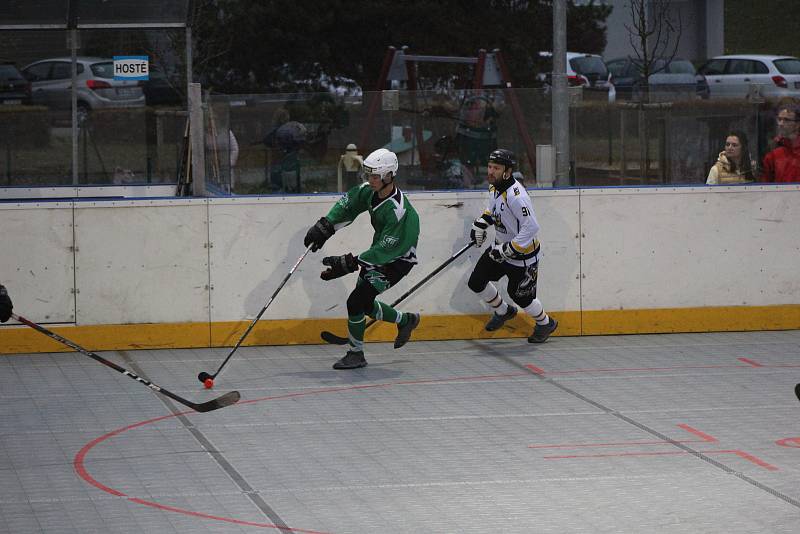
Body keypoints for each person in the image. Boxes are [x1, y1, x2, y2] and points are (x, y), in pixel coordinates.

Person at [304, 148, 421, 369]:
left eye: (376, 176)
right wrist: (325, 225)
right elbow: (349, 204)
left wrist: (349, 263)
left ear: (390, 176)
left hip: (397, 261)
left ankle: (356, 354)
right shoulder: (370, 190)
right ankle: (406, 320)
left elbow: (389, 248)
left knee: (356, 301)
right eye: (369, 175)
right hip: (379, 254)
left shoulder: (399, 211)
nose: (371, 180)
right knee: (365, 304)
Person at [467, 149, 557, 343]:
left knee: (520, 296)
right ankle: (503, 311)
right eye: (490, 166)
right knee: (476, 281)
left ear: (507, 171)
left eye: (496, 168)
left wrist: (510, 249)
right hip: (500, 248)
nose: (490, 171)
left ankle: (545, 323)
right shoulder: (494, 187)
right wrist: (481, 223)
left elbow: (532, 226)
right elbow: (494, 211)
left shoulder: (517, 196)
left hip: (522, 256)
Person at [760, 101, 800, 183]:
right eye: (779, 119)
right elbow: (764, 184)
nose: (781, 124)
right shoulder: (773, 150)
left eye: (786, 120)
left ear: (797, 124)